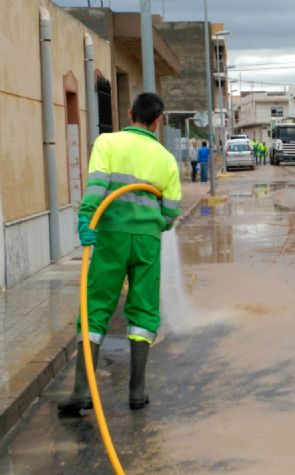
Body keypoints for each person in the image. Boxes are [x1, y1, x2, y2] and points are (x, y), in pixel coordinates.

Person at [58, 92, 182, 416]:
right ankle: (137, 392)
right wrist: (155, 224)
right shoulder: (166, 158)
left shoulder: (107, 143)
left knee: (96, 307)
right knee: (143, 312)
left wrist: (87, 217)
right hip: (146, 241)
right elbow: (171, 211)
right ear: (158, 122)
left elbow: (97, 186)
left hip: (110, 235)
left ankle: (82, 391)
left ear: (130, 114)